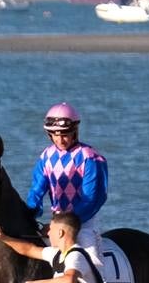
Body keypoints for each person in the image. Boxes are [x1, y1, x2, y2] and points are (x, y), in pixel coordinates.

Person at [25, 102, 108, 262]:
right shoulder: (46, 156)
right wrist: (29, 215)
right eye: (55, 134)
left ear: (74, 132)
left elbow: (91, 199)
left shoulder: (89, 157)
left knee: (92, 264)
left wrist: (64, 223)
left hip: (84, 222)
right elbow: (36, 191)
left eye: (64, 134)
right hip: (56, 222)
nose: (60, 139)